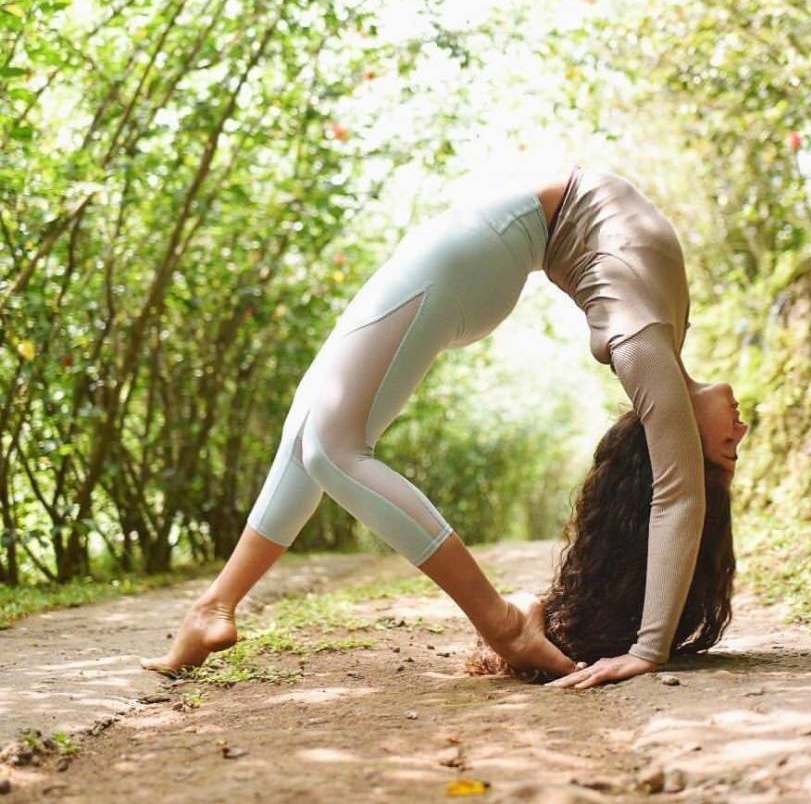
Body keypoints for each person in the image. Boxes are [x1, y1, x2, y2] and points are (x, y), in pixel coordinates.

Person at [142, 164, 748, 687]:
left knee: (332, 445)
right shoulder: (666, 339)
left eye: (722, 459)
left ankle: (502, 622)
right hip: (487, 247)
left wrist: (649, 649)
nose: (739, 437)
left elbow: (676, 493)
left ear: (673, 440)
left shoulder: (641, 344)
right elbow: (680, 486)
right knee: (310, 428)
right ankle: (212, 607)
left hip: (478, 252)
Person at [464, 409, 736, 687]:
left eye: (731, 446)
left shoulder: (666, 397)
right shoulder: (659, 385)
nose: (742, 428)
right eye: (729, 443)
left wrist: (648, 649)